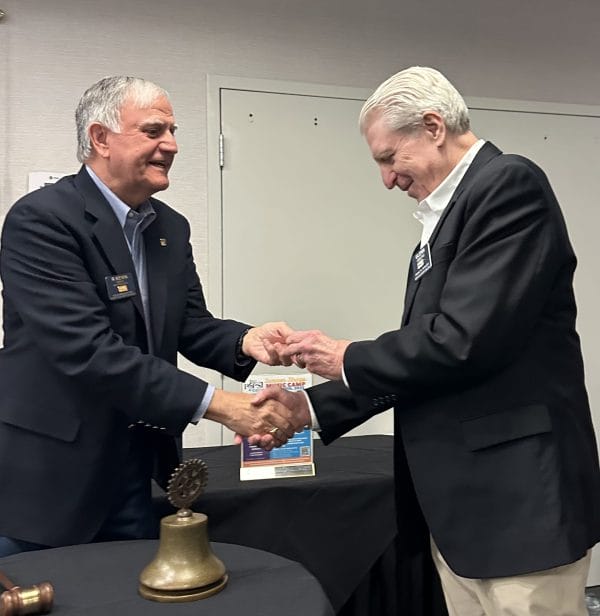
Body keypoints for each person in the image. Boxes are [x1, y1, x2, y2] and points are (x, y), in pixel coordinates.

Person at [253, 66, 600, 615]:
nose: (388, 179)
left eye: (390, 158)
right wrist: (309, 409)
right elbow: (426, 359)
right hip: (465, 511)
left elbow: (460, 342)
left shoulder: (508, 186)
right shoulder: (442, 222)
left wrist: (346, 357)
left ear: (434, 126)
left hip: (518, 506)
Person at [0, 76, 302, 558]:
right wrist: (221, 405)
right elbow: (88, 351)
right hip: (51, 479)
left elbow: (189, 324)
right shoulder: (42, 221)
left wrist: (248, 340)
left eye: (174, 131)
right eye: (155, 130)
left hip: (136, 471)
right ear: (100, 138)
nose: (172, 145)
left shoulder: (169, 227)